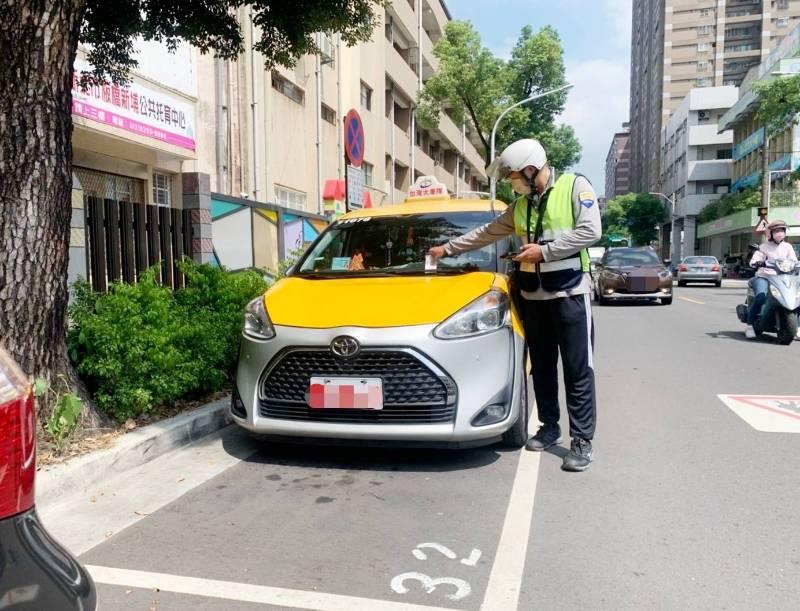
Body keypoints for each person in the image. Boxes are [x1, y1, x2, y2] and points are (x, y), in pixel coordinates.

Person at [428, 138, 602, 472]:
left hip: (569, 295)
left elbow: (591, 231)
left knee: (578, 370)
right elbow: (487, 232)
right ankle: (550, 427)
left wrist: (545, 252)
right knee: (542, 367)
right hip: (533, 297)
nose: (513, 184)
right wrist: (447, 248)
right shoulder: (520, 206)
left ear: (531, 169)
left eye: (513, 177)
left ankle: (582, 439)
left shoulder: (575, 187)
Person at [745, 219, 798, 339]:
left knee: (796, 299)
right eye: (776, 231)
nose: (780, 233)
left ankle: (797, 327)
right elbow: (754, 261)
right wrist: (758, 263)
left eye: (782, 230)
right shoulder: (764, 247)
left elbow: (794, 261)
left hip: (785, 277)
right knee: (760, 297)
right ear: (770, 233)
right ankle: (749, 326)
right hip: (765, 277)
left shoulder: (788, 247)